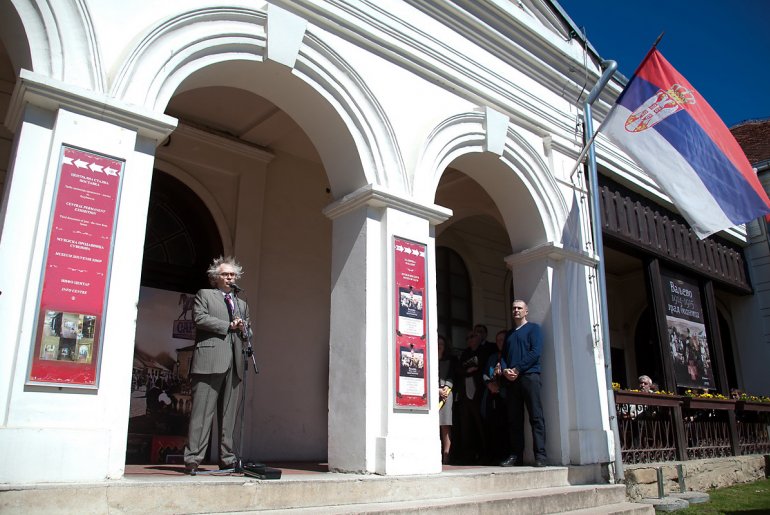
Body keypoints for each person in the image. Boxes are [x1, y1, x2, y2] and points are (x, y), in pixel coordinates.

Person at [183, 256, 250, 475]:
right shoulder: (205, 295)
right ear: (215, 277)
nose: (229, 277)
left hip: (235, 363)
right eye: (225, 274)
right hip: (210, 361)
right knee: (202, 413)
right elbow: (199, 319)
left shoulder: (241, 304)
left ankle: (227, 458)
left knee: (228, 415)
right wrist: (228, 325)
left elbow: (248, 332)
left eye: (232, 274)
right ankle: (193, 459)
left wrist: (244, 329)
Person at [499, 300, 547, 467]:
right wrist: (505, 370)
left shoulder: (534, 329)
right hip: (512, 380)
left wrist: (518, 368)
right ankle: (516, 455)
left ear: (526, 311)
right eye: (513, 308)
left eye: (519, 308)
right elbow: (503, 356)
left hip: (530, 377)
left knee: (536, 416)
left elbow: (535, 352)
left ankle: (540, 456)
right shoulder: (510, 334)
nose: (516, 310)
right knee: (514, 419)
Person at [457, 330, 487, 463]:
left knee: (481, 425)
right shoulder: (465, 353)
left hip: (479, 393)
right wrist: (468, 370)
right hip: (465, 395)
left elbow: (480, 366)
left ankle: (485, 454)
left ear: (480, 337)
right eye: (467, 337)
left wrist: (468, 369)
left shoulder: (485, 351)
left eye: (473, 336)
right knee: (466, 426)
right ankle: (467, 456)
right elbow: (459, 369)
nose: (470, 339)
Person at [482, 329, 510, 464]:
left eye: (502, 340)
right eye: (498, 340)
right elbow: (485, 374)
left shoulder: (511, 355)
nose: (500, 342)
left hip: (506, 396)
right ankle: (493, 456)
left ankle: (506, 455)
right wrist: (489, 384)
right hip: (492, 396)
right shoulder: (492, 357)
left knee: (506, 426)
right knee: (492, 426)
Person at [437, 334, 458, 464]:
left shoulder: (451, 360)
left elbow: (452, 376)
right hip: (432, 393)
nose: (439, 346)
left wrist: (445, 388)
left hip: (446, 393)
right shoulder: (428, 358)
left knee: (445, 424)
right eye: (437, 343)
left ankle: (446, 455)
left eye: (442, 344)